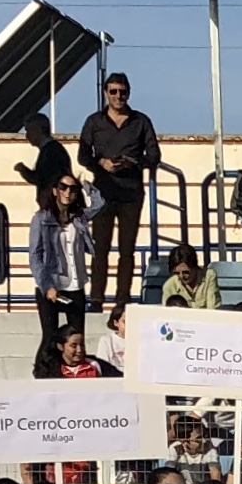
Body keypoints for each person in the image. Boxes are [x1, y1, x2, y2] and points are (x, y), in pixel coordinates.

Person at [79, 74, 162, 308]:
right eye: (113, 91)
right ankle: (96, 299)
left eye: (122, 91)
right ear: (106, 92)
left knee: (127, 250)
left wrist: (131, 163)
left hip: (131, 194)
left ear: (129, 93)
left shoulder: (141, 121)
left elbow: (154, 156)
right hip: (103, 195)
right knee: (100, 248)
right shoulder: (94, 122)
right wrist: (101, 163)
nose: (118, 96)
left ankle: (122, 299)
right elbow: (83, 155)